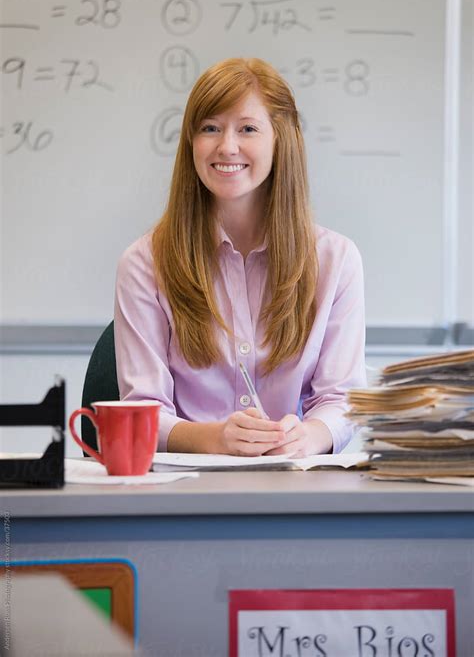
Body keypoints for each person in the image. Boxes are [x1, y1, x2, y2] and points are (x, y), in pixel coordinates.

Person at [114, 57, 366, 457]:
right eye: (209, 128)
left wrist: (310, 437)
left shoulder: (335, 261)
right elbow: (142, 410)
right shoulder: (146, 262)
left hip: (294, 490)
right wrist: (214, 439)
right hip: (184, 491)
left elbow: (343, 400)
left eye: (247, 128)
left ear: (281, 139)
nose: (226, 146)